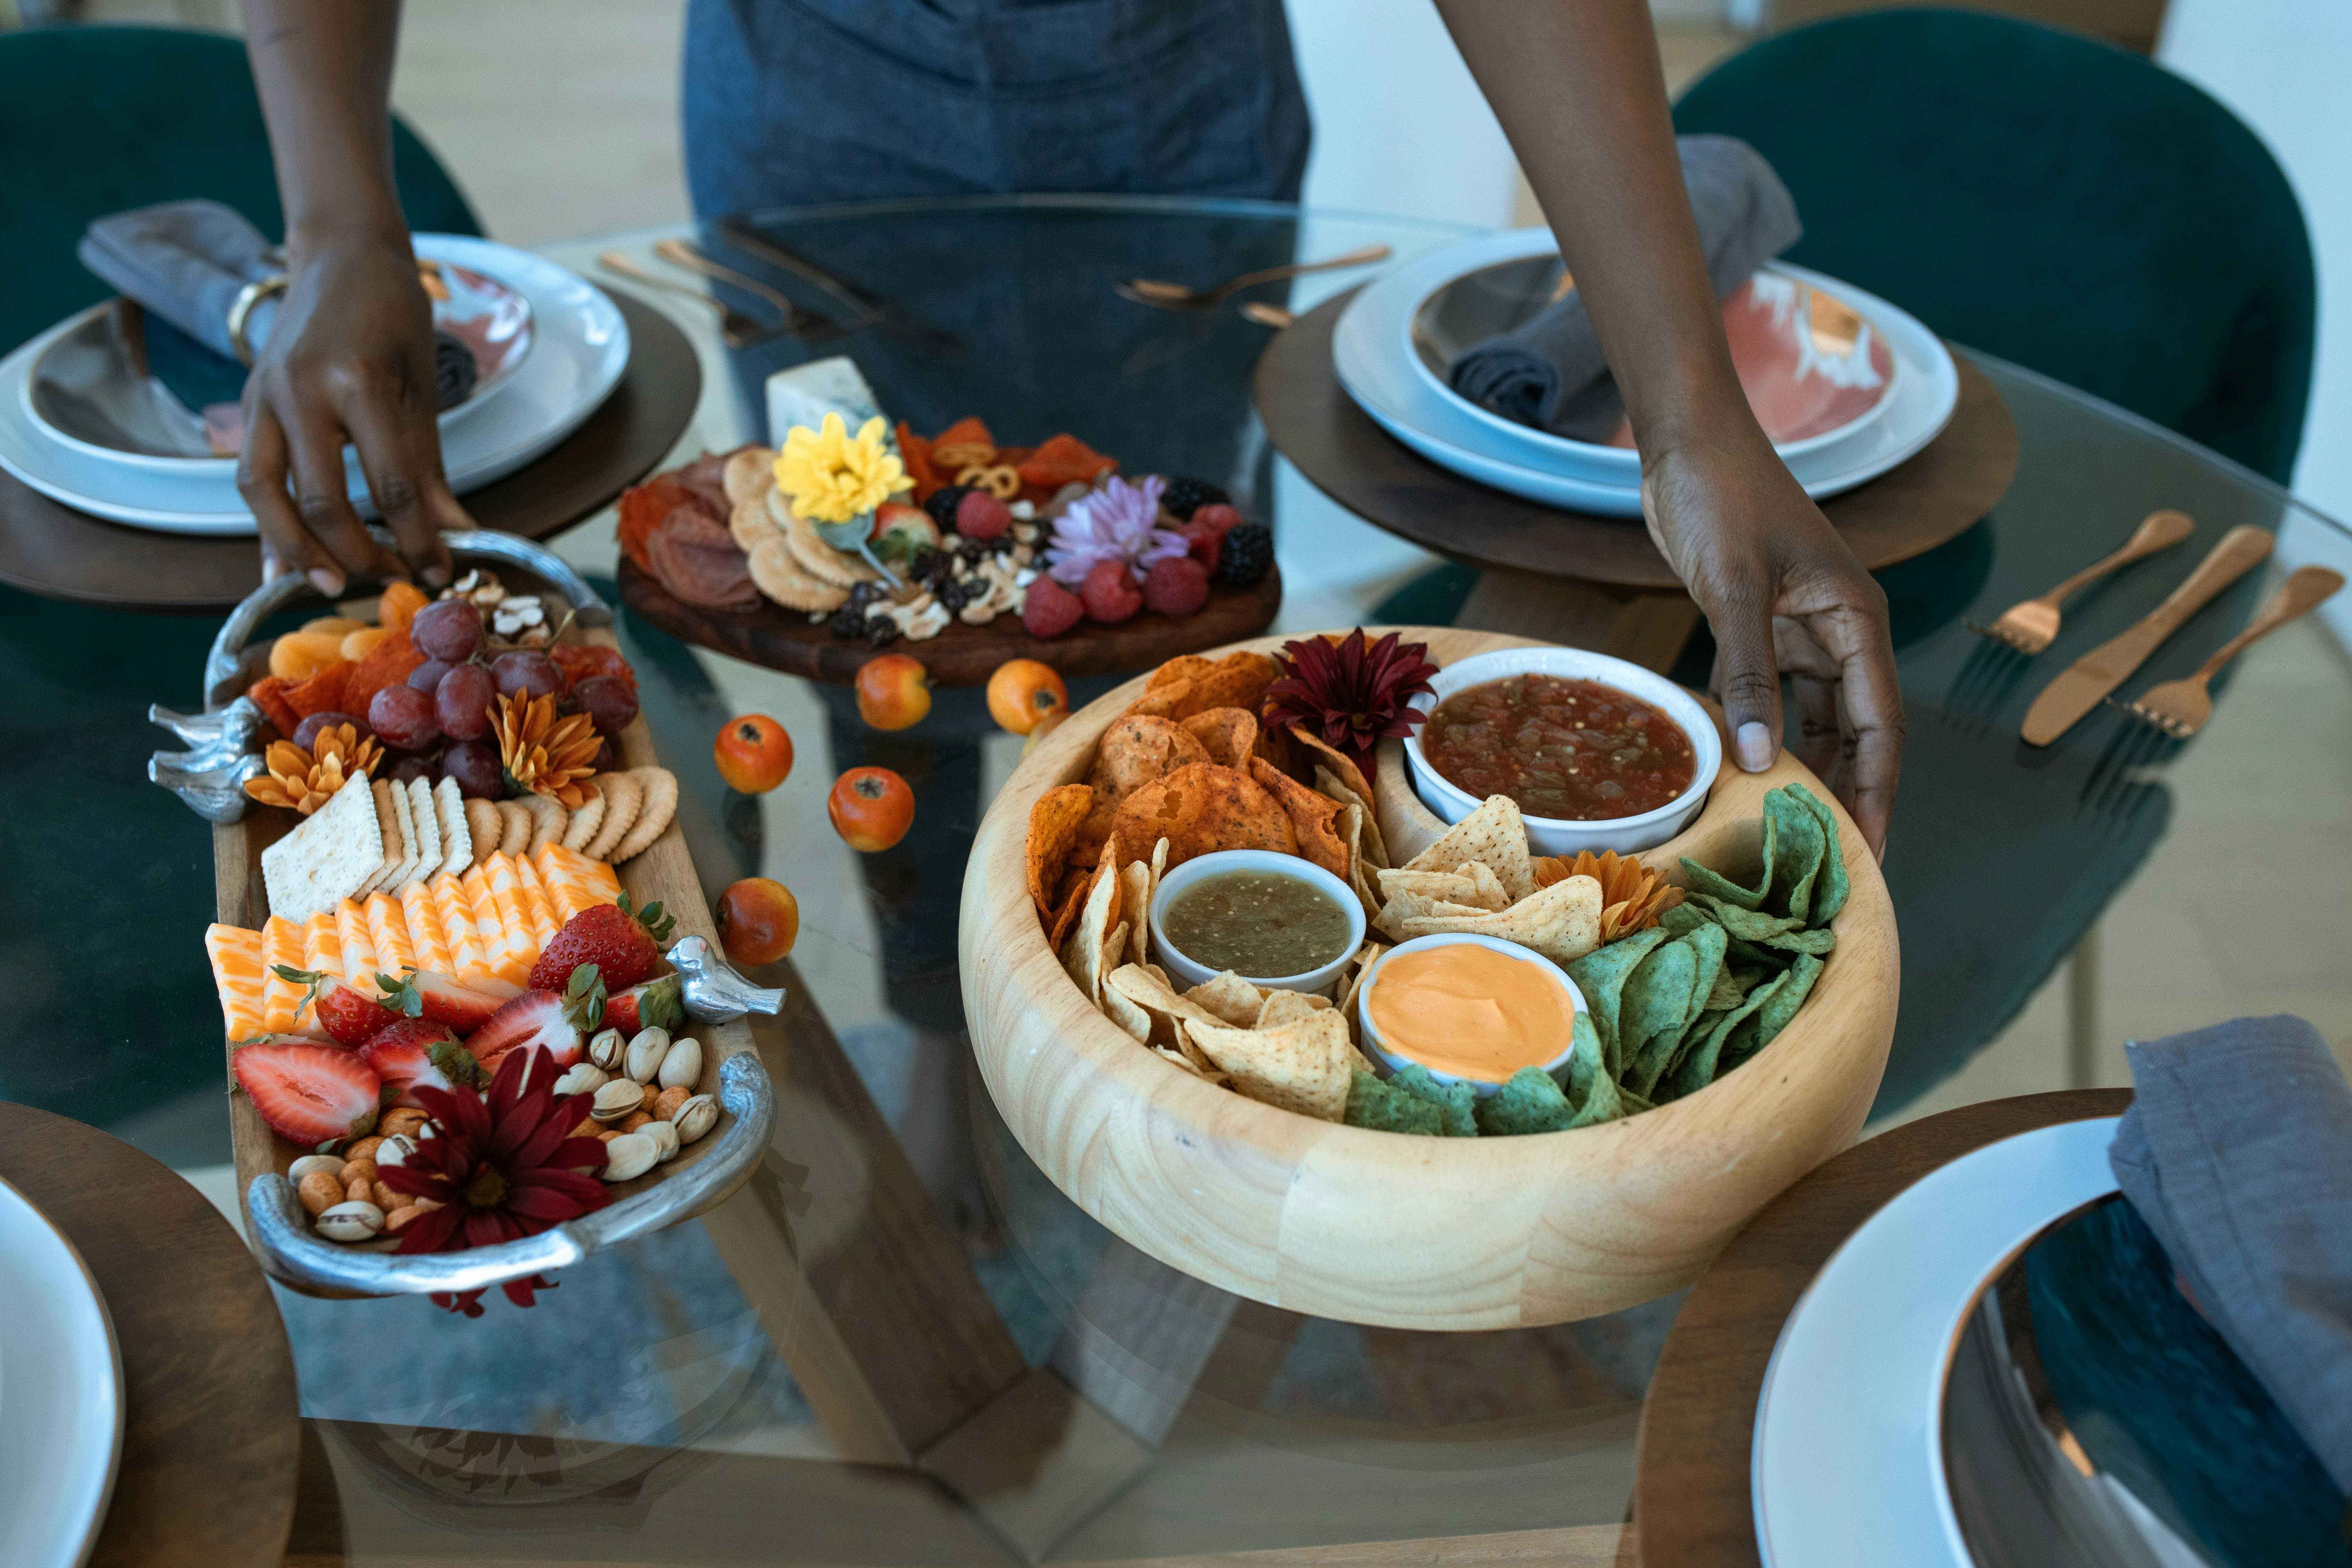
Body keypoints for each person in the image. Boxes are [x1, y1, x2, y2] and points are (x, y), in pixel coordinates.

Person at [235, 0, 1901, 853]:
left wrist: (1692, 412)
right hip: (811, 86)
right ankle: (941, 1036)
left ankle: (1120, 982)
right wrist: (336, 227)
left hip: (1177, 85)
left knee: (1158, 610)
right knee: (858, 611)